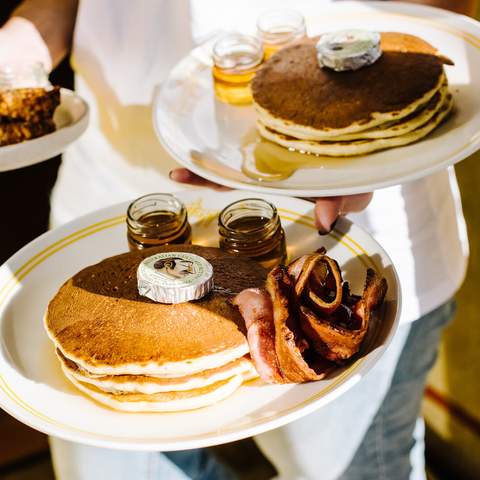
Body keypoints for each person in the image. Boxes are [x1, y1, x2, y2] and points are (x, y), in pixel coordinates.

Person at [0, 0, 477, 478]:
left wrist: (357, 147)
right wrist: (20, 47)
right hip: (110, 213)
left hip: (331, 238)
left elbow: (440, 14)